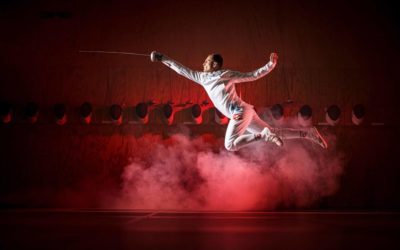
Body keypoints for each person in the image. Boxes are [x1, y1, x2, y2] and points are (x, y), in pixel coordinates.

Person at [150, 51, 328, 151]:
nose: (203, 63)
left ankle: (263, 135)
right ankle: (308, 134)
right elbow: (180, 69)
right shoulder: (207, 76)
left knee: (230, 145)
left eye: (206, 61)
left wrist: (270, 66)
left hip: (239, 113)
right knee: (275, 132)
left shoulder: (220, 75)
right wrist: (162, 58)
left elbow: (252, 75)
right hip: (246, 111)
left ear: (214, 65)